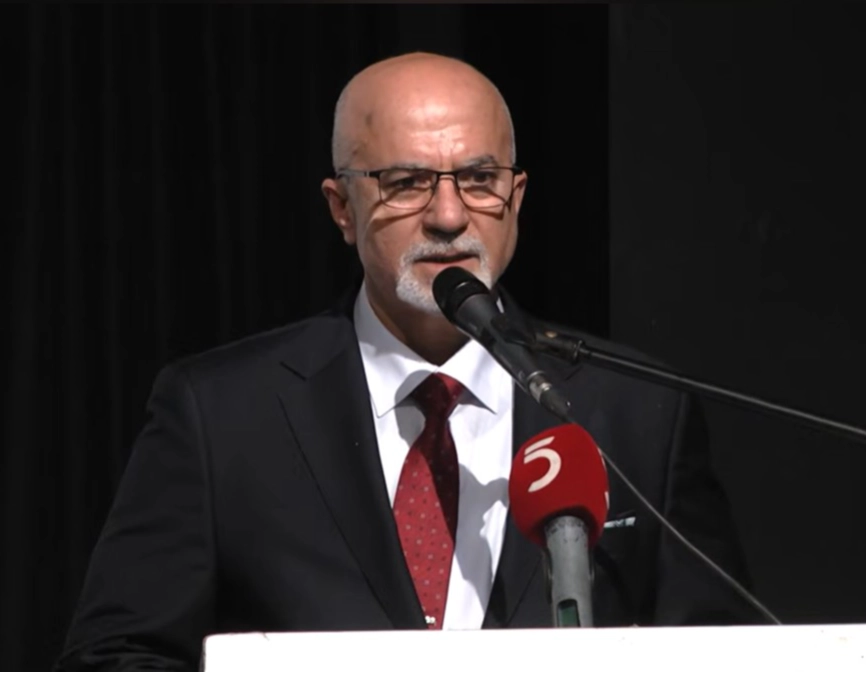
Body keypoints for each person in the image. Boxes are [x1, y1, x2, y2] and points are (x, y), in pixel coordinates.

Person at [55, 52, 757, 671]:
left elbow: (724, 653)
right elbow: (116, 654)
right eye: (406, 182)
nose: (449, 215)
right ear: (341, 207)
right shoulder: (220, 414)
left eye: (478, 178)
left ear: (515, 198)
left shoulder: (636, 411)